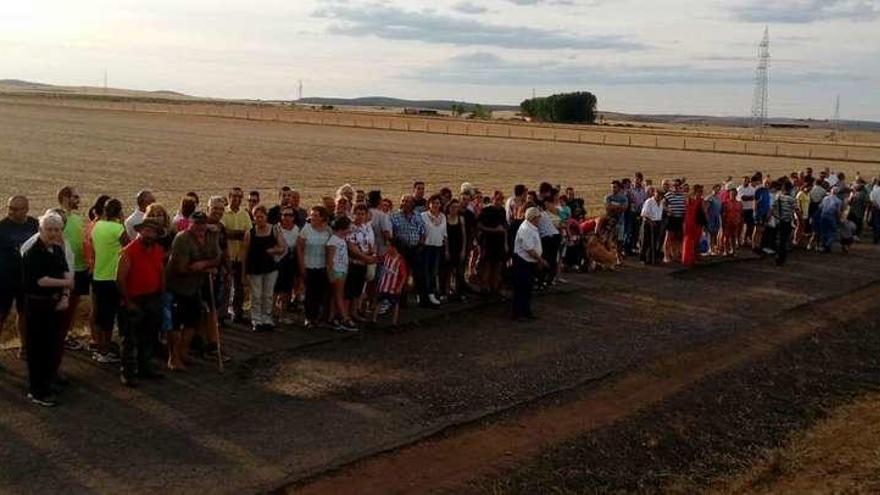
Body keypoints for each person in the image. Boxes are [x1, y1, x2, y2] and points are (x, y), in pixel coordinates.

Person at [21, 212, 72, 406]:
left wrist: (65, 295)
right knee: (37, 349)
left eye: (56, 230)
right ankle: (37, 391)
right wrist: (67, 283)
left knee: (51, 346)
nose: (53, 233)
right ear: (40, 230)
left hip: (55, 303)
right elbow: (41, 281)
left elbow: (65, 269)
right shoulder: (33, 253)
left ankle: (47, 384)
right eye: (49, 229)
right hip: (37, 304)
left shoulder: (57, 250)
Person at [165, 212, 221, 370]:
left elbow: (217, 258)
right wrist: (205, 269)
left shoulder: (211, 236)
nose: (201, 227)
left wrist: (203, 265)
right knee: (175, 325)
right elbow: (182, 269)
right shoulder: (182, 239)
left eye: (203, 224)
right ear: (190, 224)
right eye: (197, 224)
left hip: (195, 286)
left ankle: (183, 352)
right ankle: (173, 358)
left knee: (193, 320)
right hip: (176, 286)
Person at [116, 219, 166, 387]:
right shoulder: (128, 251)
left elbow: (161, 272)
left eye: (153, 232)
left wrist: (162, 294)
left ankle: (145, 367)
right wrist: (127, 301)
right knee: (129, 338)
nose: (149, 234)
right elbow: (120, 279)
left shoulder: (158, 250)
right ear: (140, 231)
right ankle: (127, 372)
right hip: (134, 299)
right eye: (147, 231)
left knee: (149, 336)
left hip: (152, 297)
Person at [0, 196, 39, 358]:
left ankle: (24, 347)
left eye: (16, 209)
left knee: (25, 314)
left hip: (27, 279)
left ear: (26, 209)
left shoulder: (34, 225)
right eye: (10, 208)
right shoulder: (2, 227)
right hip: (4, 279)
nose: (11, 212)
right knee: (1, 315)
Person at [90, 198, 128, 364]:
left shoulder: (97, 226)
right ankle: (105, 350)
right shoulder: (118, 228)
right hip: (112, 276)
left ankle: (100, 348)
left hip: (98, 275)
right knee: (109, 317)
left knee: (100, 314)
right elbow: (129, 246)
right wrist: (123, 222)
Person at [242, 205, 285, 332]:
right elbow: (245, 254)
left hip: (271, 267)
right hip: (255, 267)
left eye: (262, 216)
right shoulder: (250, 233)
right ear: (254, 218)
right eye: (257, 217)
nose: (260, 219)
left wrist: (273, 250)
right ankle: (256, 319)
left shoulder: (274, 230)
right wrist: (243, 273)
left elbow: (282, 247)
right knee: (256, 295)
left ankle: (267, 318)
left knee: (268, 294)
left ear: (266, 217)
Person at [56, 187, 89, 351]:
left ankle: (66, 334)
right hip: (66, 269)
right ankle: (58, 336)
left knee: (73, 305)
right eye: (75, 197)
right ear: (65, 198)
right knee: (63, 305)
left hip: (80, 267)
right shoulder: (57, 218)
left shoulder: (77, 218)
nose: (79, 200)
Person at [391, 195, 430, 307]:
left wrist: (421, 244)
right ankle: (401, 301)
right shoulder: (394, 216)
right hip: (401, 250)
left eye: (408, 201)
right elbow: (392, 234)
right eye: (403, 201)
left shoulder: (417, 216)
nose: (405, 203)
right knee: (402, 275)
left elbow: (423, 231)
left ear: (413, 204)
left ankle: (423, 299)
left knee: (420, 274)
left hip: (416, 249)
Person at [221, 187, 252, 323]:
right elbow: (223, 233)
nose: (237, 199)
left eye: (240, 197)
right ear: (229, 197)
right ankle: (222, 314)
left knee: (239, 286)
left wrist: (233, 234)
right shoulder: (223, 213)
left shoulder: (244, 214)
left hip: (240, 256)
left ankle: (237, 313)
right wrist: (239, 234)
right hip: (226, 255)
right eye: (234, 196)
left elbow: (248, 234)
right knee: (225, 286)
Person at [297, 206, 332, 328]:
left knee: (319, 293)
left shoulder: (328, 230)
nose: (313, 217)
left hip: (322, 266)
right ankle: (308, 318)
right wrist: (302, 266)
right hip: (308, 265)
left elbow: (330, 248)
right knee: (310, 293)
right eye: (312, 215)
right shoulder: (306, 229)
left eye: (316, 215)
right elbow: (300, 248)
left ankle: (317, 317)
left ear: (322, 217)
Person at [512, 207, 546, 321]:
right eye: (538, 218)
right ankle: (519, 313)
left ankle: (526, 312)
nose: (539, 220)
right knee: (522, 288)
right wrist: (540, 260)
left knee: (527, 288)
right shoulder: (526, 229)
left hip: (528, 262)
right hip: (523, 262)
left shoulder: (531, 227)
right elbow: (529, 249)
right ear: (533, 218)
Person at [346, 204, 376, 321]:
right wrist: (365, 257)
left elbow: (368, 243)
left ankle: (354, 312)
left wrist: (371, 252)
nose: (360, 216)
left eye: (362, 214)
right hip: (354, 262)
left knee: (358, 289)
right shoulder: (351, 228)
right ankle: (348, 314)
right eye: (357, 214)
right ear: (353, 214)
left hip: (364, 262)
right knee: (351, 290)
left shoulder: (365, 227)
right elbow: (352, 247)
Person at [326, 216, 357, 331]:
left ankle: (332, 317)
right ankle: (344, 317)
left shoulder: (341, 239)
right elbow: (330, 260)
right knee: (339, 295)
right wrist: (331, 273)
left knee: (336, 295)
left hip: (342, 270)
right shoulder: (333, 240)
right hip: (337, 270)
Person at [477, 191, 508, 295]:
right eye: (498, 199)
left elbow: (504, 228)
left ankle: (494, 287)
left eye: (501, 199)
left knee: (497, 265)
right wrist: (493, 230)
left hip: (499, 243)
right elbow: (479, 226)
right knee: (487, 265)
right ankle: (484, 288)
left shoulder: (503, 211)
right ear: (493, 199)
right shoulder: (486, 211)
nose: (499, 202)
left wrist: (505, 243)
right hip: (488, 242)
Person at [274, 206, 300, 324]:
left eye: (290, 215)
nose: (287, 218)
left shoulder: (296, 230)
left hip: (290, 262)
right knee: (275, 290)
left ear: (294, 218)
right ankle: (272, 314)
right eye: (285, 215)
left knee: (286, 290)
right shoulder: (276, 229)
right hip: (277, 262)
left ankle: (282, 315)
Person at [372, 243, 408, 326]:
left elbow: (403, 275)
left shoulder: (400, 260)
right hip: (384, 285)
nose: (387, 248)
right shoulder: (386, 256)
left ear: (394, 248)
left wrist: (399, 287)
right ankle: (374, 320)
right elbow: (379, 260)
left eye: (389, 246)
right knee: (379, 302)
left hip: (393, 287)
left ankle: (394, 323)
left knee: (395, 304)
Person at [421, 195, 447, 305]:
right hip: (426, 247)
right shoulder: (423, 216)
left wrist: (446, 249)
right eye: (434, 203)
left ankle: (431, 293)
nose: (436, 205)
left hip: (438, 247)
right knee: (425, 271)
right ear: (429, 204)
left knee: (433, 271)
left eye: (438, 203)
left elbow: (444, 234)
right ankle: (423, 294)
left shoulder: (443, 216)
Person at [441, 199, 467, 300]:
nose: (454, 209)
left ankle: (459, 292)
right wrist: (446, 250)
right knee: (447, 271)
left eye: (456, 207)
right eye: (452, 207)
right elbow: (445, 236)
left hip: (459, 248)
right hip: (448, 247)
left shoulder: (461, 219)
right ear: (449, 208)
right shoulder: (445, 219)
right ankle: (445, 292)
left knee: (459, 272)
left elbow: (464, 236)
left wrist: (463, 250)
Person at [770, 180, 798, 266]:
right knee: (785, 240)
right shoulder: (791, 199)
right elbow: (796, 210)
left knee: (779, 239)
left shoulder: (778, 196)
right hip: (787, 221)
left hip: (779, 220)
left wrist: (776, 216)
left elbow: (773, 207)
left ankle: (778, 256)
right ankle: (782, 258)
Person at [681, 184, 707, 268]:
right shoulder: (691, 199)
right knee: (688, 240)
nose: (701, 193)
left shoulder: (697, 200)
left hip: (696, 222)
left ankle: (693, 257)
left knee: (695, 240)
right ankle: (688, 259)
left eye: (701, 191)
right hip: (690, 222)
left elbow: (704, 211)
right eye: (699, 191)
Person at [662, 180, 687, 263]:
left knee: (678, 238)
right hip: (671, 219)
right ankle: (666, 256)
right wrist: (668, 210)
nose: (676, 188)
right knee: (668, 237)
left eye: (677, 186)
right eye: (674, 186)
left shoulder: (683, 196)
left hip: (680, 219)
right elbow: (663, 204)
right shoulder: (668, 195)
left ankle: (675, 255)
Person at [639, 187, 664, 264]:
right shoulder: (649, 201)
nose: (659, 196)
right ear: (654, 193)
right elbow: (643, 214)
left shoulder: (661, 202)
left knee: (655, 242)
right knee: (646, 241)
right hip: (649, 223)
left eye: (661, 195)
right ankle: (642, 259)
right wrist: (651, 222)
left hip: (658, 222)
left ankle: (652, 258)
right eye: (658, 194)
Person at [819, 187, 844, 253]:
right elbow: (838, 212)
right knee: (833, 233)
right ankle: (827, 245)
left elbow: (820, 207)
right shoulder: (838, 201)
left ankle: (824, 245)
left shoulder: (825, 198)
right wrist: (839, 220)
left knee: (824, 231)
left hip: (823, 216)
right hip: (831, 216)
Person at [721, 186, 743, 257]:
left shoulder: (739, 203)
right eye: (731, 194)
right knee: (726, 237)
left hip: (735, 222)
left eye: (734, 194)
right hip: (727, 222)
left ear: (736, 194)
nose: (732, 195)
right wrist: (723, 223)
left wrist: (740, 222)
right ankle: (725, 250)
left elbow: (741, 213)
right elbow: (723, 214)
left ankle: (733, 250)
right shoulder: (725, 203)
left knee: (733, 237)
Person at [737, 176, 757, 247]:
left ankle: (746, 239)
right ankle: (739, 240)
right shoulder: (739, 189)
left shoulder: (752, 189)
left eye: (748, 181)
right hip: (742, 210)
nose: (747, 182)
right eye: (745, 181)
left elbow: (754, 198)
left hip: (750, 209)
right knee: (740, 226)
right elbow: (743, 198)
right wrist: (750, 197)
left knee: (750, 226)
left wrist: (749, 198)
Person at [706, 184, 722, 255]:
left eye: (718, 189)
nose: (717, 190)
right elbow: (706, 208)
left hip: (717, 217)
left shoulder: (718, 198)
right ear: (713, 189)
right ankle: (710, 248)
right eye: (716, 189)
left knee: (715, 233)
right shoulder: (710, 198)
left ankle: (714, 248)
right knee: (710, 233)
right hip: (710, 217)